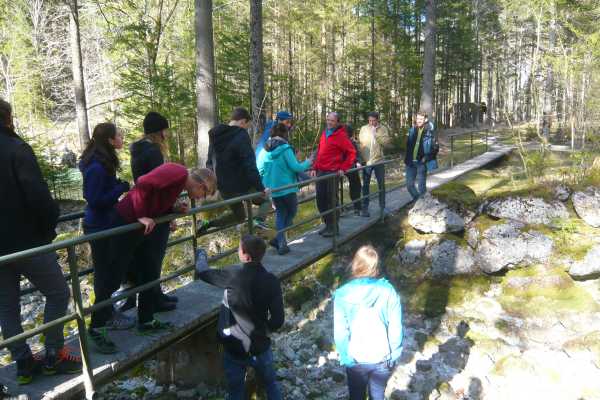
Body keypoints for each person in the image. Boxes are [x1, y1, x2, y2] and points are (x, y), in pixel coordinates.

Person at [88, 163, 216, 354]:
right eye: (204, 193)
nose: (201, 197)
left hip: (138, 228)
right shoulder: (178, 173)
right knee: (113, 277)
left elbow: (155, 199)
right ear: (200, 184)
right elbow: (143, 183)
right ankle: (96, 328)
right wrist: (141, 216)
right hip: (125, 222)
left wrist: (172, 210)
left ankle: (146, 320)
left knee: (149, 270)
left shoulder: (178, 185)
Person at [0, 99, 82, 384]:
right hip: (27, 241)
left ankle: (23, 363)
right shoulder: (16, 149)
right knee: (59, 294)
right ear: (8, 118)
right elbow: (38, 197)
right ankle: (53, 354)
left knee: (7, 307)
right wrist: (48, 228)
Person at [196, 235, 284, 400]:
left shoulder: (233, 274)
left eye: (238, 248)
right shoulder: (271, 280)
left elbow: (203, 273)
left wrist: (200, 255)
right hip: (260, 346)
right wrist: (263, 331)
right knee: (271, 384)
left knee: (235, 391)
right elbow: (278, 320)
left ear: (245, 255)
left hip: (234, 347)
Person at [122, 111, 178, 314]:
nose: (166, 135)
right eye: (164, 130)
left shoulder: (138, 150)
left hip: (144, 208)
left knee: (150, 258)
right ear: (158, 131)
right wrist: (169, 213)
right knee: (154, 257)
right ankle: (153, 301)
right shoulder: (153, 152)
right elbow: (160, 185)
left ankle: (156, 294)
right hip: (155, 211)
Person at [79, 122, 134, 330]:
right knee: (104, 272)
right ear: (110, 140)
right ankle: (101, 320)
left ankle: (106, 313)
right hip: (99, 226)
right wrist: (120, 187)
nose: (121, 138)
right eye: (118, 135)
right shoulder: (96, 166)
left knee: (110, 271)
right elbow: (94, 199)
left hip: (106, 223)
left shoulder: (102, 161)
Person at [333, 245, 402, 400]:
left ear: (355, 264)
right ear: (375, 266)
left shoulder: (342, 293)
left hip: (356, 358)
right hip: (383, 357)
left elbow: (340, 331)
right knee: (377, 396)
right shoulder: (388, 291)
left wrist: (345, 357)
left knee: (356, 397)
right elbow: (396, 327)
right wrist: (394, 354)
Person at [205, 107, 267, 231]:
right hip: (243, 186)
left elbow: (209, 163)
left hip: (224, 188)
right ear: (242, 122)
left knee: (239, 217)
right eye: (247, 126)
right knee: (265, 201)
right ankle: (257, 224)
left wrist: (216, 183)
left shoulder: (215, 135)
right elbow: (250, 164)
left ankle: (209, 224)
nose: (247, 129)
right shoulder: (241, 134)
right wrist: (261, 188)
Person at [257, 123, 312, 255]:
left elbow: (259, 169)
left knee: (281, 213)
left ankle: (279, 241)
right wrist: (309, 161)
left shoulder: (264, 150)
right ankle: (280, 240)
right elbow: (296, 167)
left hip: (273, 189)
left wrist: (266, 182)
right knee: (291, 212)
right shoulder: (286, 148)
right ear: (284, 134)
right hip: (288, 188)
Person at [311, 112, 356, 237]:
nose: (329, 122)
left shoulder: (341, 136)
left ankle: (334, 227)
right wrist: (314, 167)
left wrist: (343, 168)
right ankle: (327, 224)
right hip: (321, 171)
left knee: (331, 200)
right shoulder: (325, 133)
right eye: (328, 119)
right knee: (320, 199)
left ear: (337, 122)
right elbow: (319, 151)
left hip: (332, 172)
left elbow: (351, 152)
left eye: (332, 120)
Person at [253, 111, 294, 230]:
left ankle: (280, 222)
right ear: (280, 121)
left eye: (290, 122)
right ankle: (259, 222)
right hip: (264, 166)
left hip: (264, 165)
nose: (289, 125)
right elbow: (270, 151)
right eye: (287, 122)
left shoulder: (273, 128)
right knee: (268, 194)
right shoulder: (274, 132)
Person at [358, 112, 392, 217]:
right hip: (367, 161)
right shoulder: (364, 128)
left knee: (381, 184)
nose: (371, 123)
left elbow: (386, 143)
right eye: (369, 120)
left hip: (379, 161)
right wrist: (360, 159)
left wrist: (375, 134)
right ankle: (365, 208)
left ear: (377, 120)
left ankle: (382, 207)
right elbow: (361, 143)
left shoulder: (383, 129)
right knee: (366, 185)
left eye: (373, 120)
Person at [405, 111, 437, 200]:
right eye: (417, 118)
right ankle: (419, 201)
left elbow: (435, 148)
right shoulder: (412, 130)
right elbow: (408, 146)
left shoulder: (430, 132)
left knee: (421, 187)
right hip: (410, 162)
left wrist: (426, 158)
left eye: (421, 119)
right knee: (409, 185)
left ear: (425, 120)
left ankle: (423, 205)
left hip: (421, 162)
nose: (418, 121)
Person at [343, 124, 363, 216]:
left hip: (351, 167)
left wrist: (358, 161)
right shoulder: (343, 142)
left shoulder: (352, 142)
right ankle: (356, 206)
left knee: (356, 185)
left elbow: (356, 154)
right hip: (344, 167)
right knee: (355, 185)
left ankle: (357, 206)